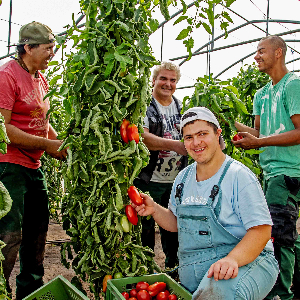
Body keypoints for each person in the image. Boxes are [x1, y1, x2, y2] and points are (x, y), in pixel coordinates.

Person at [133, 106, 279, 299]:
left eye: (203, 134)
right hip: (202, 273)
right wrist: (154, 209)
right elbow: (177, 223)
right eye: (188, 137)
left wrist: (232, 259)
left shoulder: (238, 176)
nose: (196, 143)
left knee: (222, 293)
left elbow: (262, 231)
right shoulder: (183, 178)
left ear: (218, 134)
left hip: (246, 263)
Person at [0, 21, 67, 299]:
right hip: (9, 166)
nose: (53, 53)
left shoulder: (40, 78)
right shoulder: (7, 75)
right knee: (8, 237)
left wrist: (60, 144)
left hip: (33, 166)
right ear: (27, 48)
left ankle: (29, 292)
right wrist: (47, 144)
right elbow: (3, 129)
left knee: (37, 233)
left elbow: (43, 121)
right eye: (48, 48)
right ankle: (1, 289)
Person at [233, 35, 300, 300]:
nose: (256, 57)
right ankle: (292, 285)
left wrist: (259, 141)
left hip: (289, 172)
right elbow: (261, 132)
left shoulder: (293, 85)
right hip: (271, 172)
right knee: (285, 231)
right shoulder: (262, 94)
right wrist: (232, 126)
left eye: (261, 51)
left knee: (279, 234)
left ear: (278, 53)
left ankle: (280, 294)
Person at [134, 62, 188, 270]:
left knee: (172, 226)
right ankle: (145, 267)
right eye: (163, 79)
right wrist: (175, 145)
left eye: (172, 80)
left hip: (175, 179)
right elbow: (143, 137)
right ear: (154, 81)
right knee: (145, 227)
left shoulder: (180, 107)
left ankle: (172, 266)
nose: (168, 84)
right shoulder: (145, 106)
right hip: (149, 178)